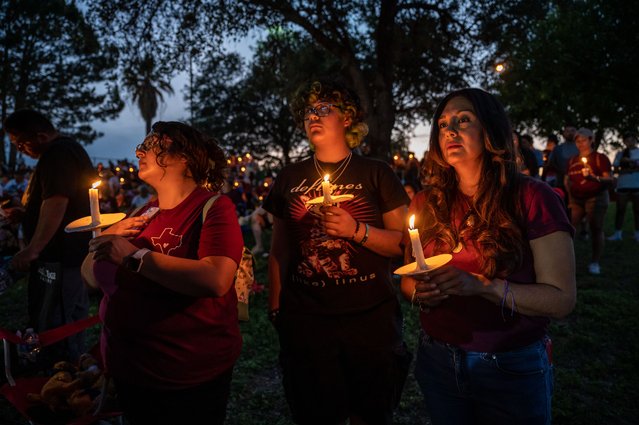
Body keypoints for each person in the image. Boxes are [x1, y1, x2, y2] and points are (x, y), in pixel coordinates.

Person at [400, 88, 576, 425]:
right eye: (442, 124)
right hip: (437, 359)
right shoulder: (425, 204)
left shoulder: (531, 197)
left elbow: (562, 300)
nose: (449, 131)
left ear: (490, 129)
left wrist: (483, 286)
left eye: (463, 120)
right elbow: (409, 283)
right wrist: (422, 292)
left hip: (510, 362)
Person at [264, 78, 411, 425]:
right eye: (308, 112)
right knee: (315, 412)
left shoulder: (377, 173)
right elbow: (279, 252)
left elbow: (404, 243)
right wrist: (275, 308)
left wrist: (355, 230)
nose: (313, 116)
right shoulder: (289, 178)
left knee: (370, 413)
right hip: (307, 321)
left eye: (323, 109)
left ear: (347, 118)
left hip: (370, 318)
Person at [82, 121, 243, 425]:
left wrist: (134, 256)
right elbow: (91, 277)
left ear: (183, 157)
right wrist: (108, 235)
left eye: (151, 144)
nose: (138, 150)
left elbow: (216, 279)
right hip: (131, 370)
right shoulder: (143, 212)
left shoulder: (212, 207)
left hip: (186, 375)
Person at [4, 109, 95, 361]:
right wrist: (26, 214)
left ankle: (63, 371)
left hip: (62, 256)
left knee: (60, 317)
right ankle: (68, 364)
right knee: (64, 312)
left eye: (20, 142)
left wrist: (33, 248)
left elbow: (57, 202)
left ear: (41, 135)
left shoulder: (58, 154)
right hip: (65, 254)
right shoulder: (62, 152)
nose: (20, 149)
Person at [565, 128, 613, 275]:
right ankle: (566, 261)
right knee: (569, 229)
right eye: (577, 141)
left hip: (596, 198)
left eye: (584, 140)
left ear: (591, 140)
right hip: (576, 199)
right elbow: (568, 179)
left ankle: (594, 262)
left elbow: (609, 179)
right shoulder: (573, 160)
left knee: (596, 228)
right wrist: (569, 193)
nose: (581, 144)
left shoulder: (600, 158)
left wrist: (594, 179)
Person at [608, 132, 639, 242]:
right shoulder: (620, 154)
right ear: (624, 142)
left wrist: (631, 164)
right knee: (620, 209)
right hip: (623, 184)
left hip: (637, 184)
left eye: (632, 140)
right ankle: (618, 233)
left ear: (636, 140)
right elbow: (615, 169)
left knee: (637, 210)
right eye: (627, 140)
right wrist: (623, 164)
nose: (630, 142)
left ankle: (637, 234)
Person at [547, 123, 579, 194]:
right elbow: (551, 164)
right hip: (560, 183)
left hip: (579, 183)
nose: (570, 133)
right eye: (567, 131)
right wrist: (563, 172)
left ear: (577, 132)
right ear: (564, 133)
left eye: (572, 131)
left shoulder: (582, 148)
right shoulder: (558, 149)